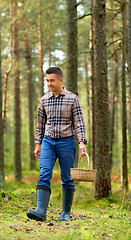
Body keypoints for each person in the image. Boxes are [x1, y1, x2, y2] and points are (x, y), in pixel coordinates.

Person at [27, 66, 87, 222]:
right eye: (47, 81)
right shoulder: (44, 99)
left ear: (61, 80)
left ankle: (65, 213)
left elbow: (79, 122)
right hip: (48, 141)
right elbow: (40, 124)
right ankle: (40, 211)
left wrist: (81, 142)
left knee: (67, 177)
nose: (49, 84)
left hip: (67, 142)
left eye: (52, 80)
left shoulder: (72, 98)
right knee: (44, 173)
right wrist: (38, 144)